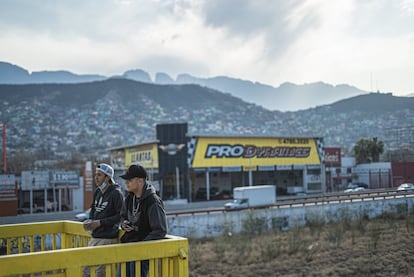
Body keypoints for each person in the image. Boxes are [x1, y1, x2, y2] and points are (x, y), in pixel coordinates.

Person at [118, 164, 167, 277]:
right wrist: (123, 223)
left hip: (141, 252)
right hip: (127, 248)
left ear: (140, 181)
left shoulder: (153, 201)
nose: (126, 182)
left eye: (129, 180)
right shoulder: (130, 198)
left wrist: (141, 245)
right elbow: (122, 216)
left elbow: (160, 230)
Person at [83, 163, 124, 277]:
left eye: (99, 175)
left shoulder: (116, 193)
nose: (96, 177)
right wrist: (90, 221)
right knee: (86, 270)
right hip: (95, 237)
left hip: (107, 238)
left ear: (108, 177)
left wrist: (100, 223)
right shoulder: (98, 191)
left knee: (100, 272)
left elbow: (121, 216)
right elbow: (93, 209)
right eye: (96, 175)